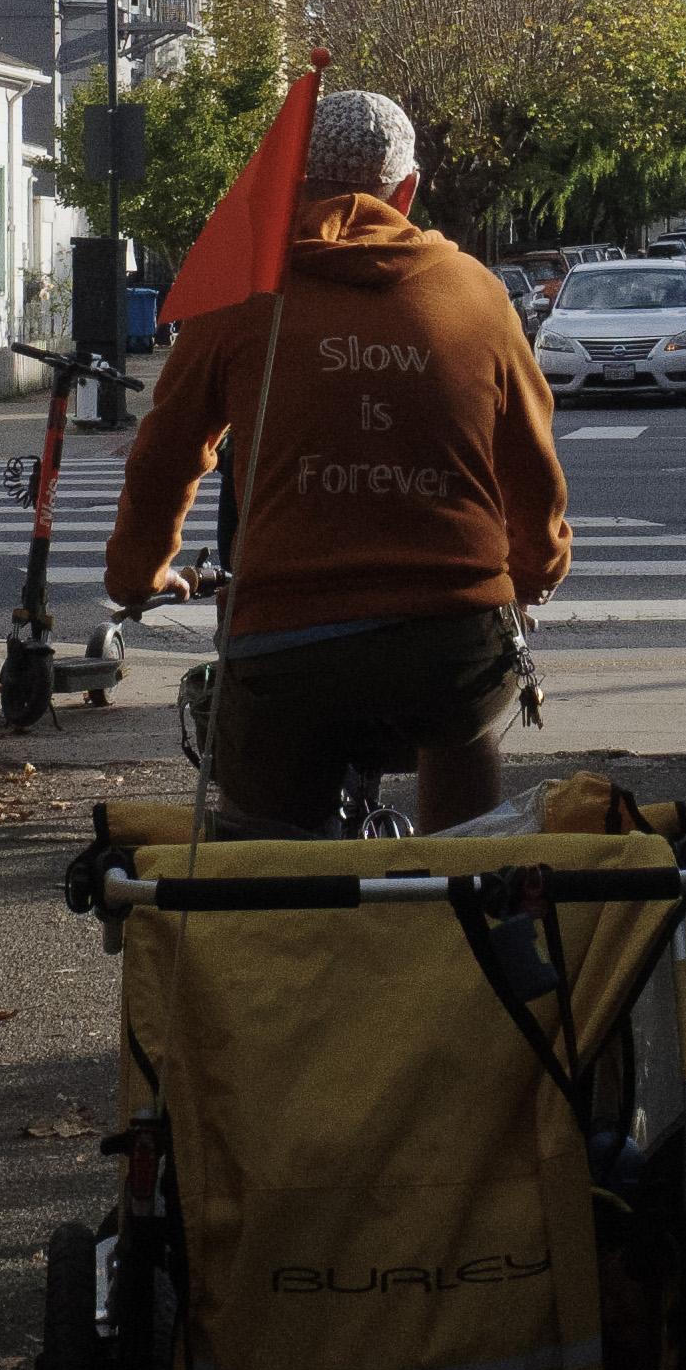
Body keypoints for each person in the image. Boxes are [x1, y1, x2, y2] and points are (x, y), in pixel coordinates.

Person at [106, 87, 572, 833]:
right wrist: (536, 570)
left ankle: (284, 901)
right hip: (450, 639)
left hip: (286, 643)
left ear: (287, 181)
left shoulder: (238, 298)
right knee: (461, 731)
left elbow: (165, 457)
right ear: (408, 190)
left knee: (273, 857)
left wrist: (139, 576)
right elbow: (533, 468)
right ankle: (467, 886)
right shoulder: (480, 297)